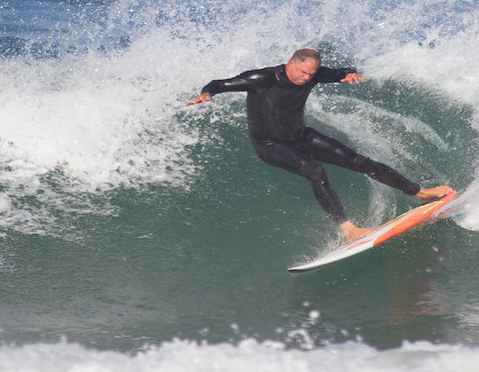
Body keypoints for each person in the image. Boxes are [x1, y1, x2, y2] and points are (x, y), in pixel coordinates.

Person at [186, 49, 453, 241]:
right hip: (269, 144)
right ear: (291, 63)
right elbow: (220, 83)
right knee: (314, 171)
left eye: (311, 74)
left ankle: (419, 192)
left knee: (359, 161)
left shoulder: (313, 75)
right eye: (302, 72)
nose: (306, 78)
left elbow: (338, 72)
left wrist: (348, 74)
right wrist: (207, 93)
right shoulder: (261, 79)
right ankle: (348, 228)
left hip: (300, 135)